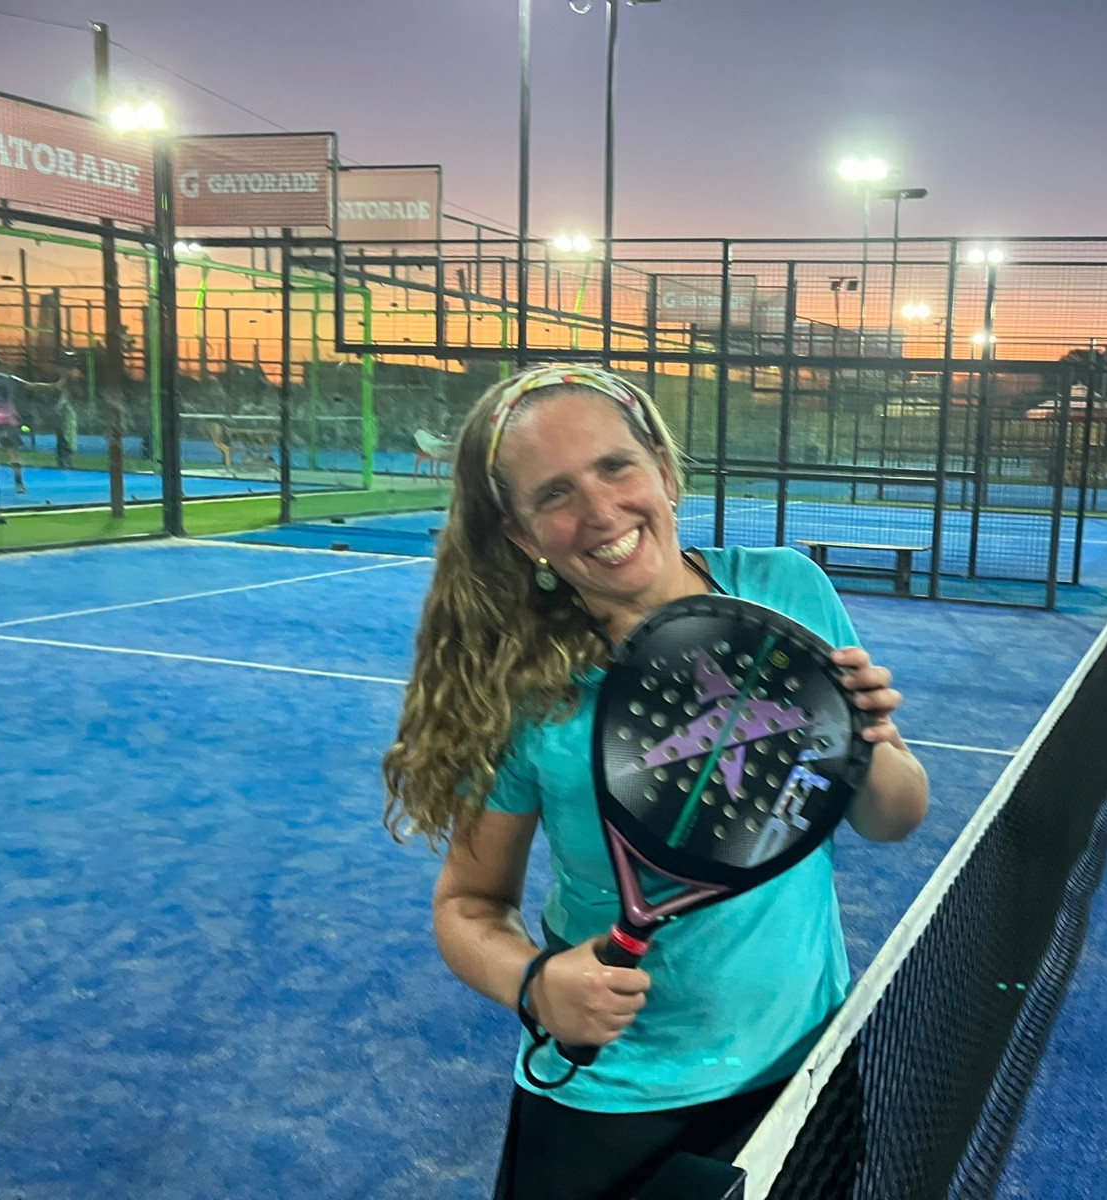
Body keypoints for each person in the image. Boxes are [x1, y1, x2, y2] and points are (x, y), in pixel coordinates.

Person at [382, 364, 929, 1200]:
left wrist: (872, 741)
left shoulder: (786, 590)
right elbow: (468, 904)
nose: (601, 511)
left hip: (804, 1073)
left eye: (615, 467)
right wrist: (537, 987)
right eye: (555, 494)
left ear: (665, 473)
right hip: (611, 1104)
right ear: (524, 537)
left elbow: (892, 819)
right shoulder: (522, 685)